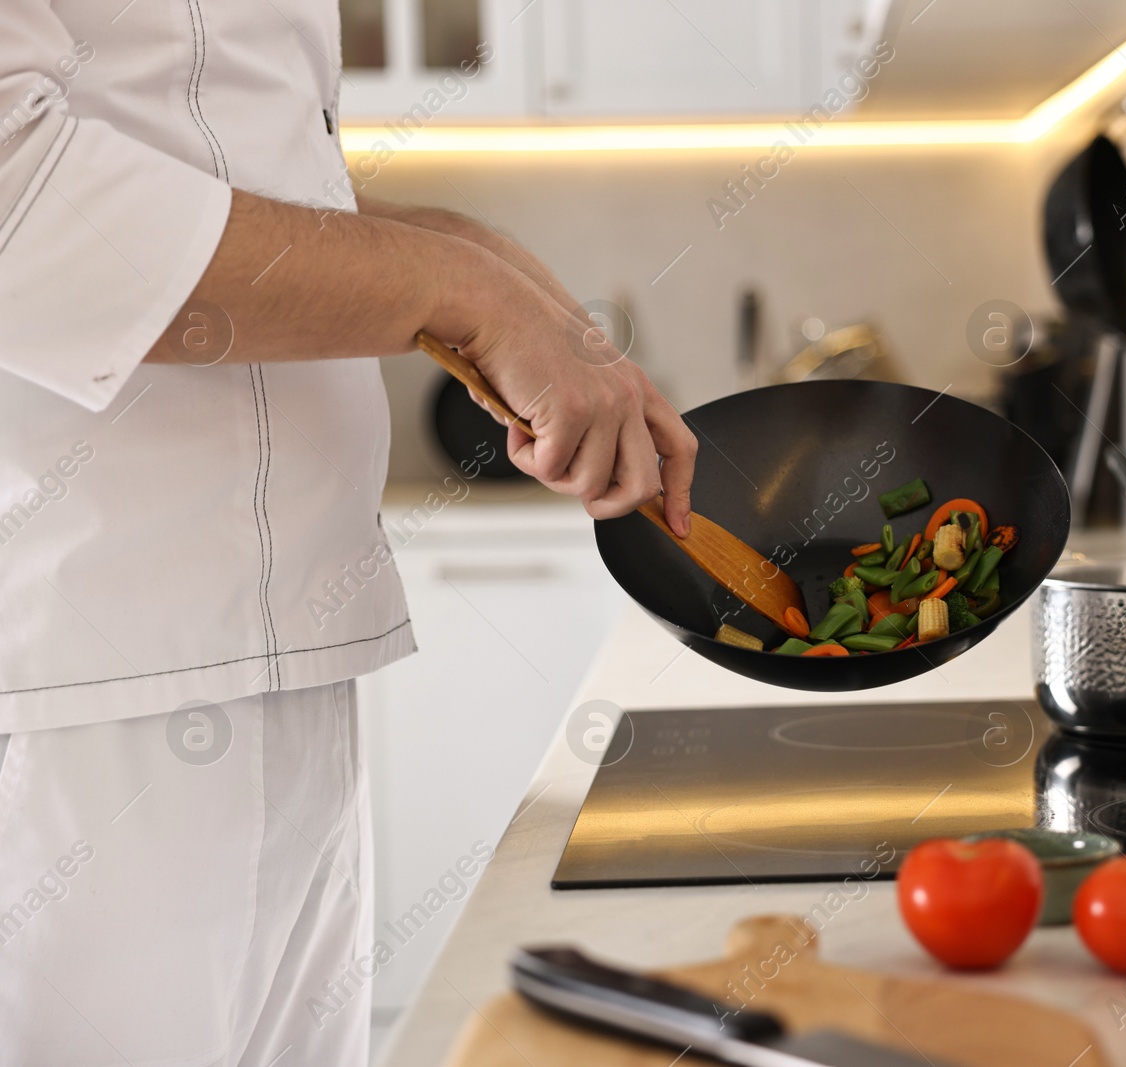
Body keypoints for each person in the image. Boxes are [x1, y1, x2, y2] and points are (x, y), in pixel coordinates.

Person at [0, 1, 695, 1063]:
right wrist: (466, 294)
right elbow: (20, 198)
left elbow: (194, 149)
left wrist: (467, 254)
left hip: (276, 651)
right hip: (87, 675)